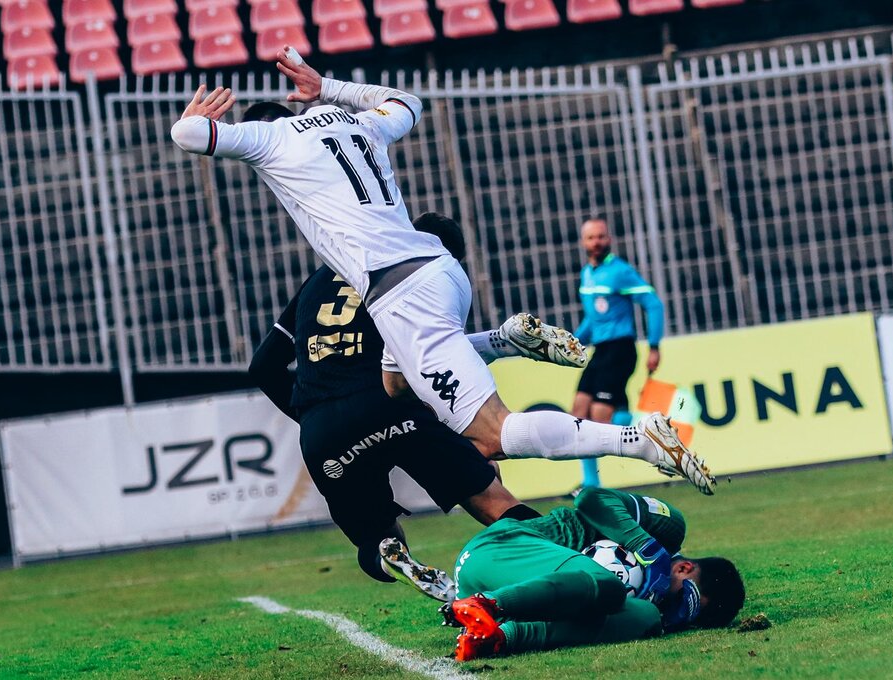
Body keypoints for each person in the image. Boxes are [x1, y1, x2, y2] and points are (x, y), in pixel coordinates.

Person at [169, 54, 714, 496]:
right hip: (436, 268)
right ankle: (502, 341)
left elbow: (188, 134)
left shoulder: (270, 140)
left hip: (400, 293)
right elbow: (408, 101)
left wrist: (195, 118)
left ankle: (638, 439)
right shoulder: (356, 122)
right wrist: (327, 86)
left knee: (494, 434)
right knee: (395, 385)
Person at [249, 209, 545, 601]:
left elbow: (263, 367)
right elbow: (431, 365)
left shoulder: (321, 276)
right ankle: (571, 563)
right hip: (390, 405)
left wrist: (311, 415)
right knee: (493, 499)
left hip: (323, 430)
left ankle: (392, 557)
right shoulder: (422, 274)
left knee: (375, 538)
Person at [440, 487, 745, 661]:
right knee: (609, 588)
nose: (671, 608)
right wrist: (645, 546)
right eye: (680, 600)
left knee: (646, 617)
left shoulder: (653, 608)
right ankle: (488, 604)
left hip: (513, 584)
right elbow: (589, 498)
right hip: (503, 548)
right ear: (684, 567)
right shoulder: (669, 528)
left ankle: (498, 637)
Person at [571, 218, 667, 487]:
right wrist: (573, 343)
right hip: (600, 351)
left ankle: (652, 434)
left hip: (620, 349)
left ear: (609, 239)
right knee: (577, 414)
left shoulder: (620, 271)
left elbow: (654, 304)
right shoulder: (586, 274)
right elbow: (593, 319)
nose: (596, 242)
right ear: (583, 242)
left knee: (599, 418)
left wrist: (654, 345)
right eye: (591, 238)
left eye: (601, 236)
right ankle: (590, 483)